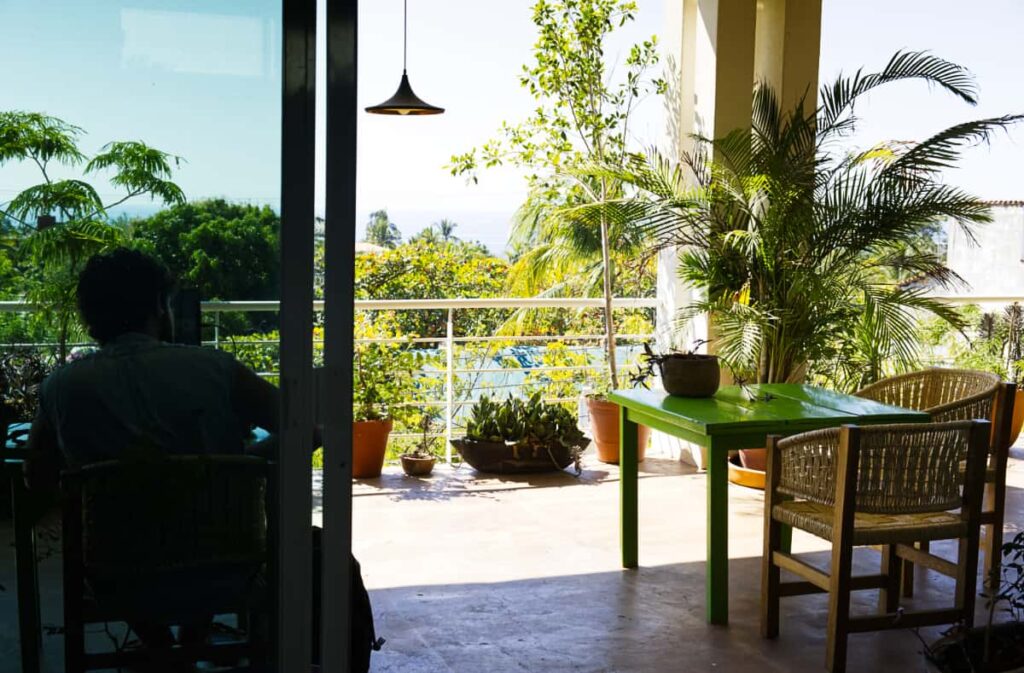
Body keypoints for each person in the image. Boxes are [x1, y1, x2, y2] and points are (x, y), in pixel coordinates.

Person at [25, 248, 281, 668]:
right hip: (228, 571)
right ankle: (191, 640)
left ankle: (161, 647)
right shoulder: (216, 369)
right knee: (197, 525)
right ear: (159, 306)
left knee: (139, 539)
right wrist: (243, 464)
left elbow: (39, 477)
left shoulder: (62, 388)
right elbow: (301, 429)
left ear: (90, 317)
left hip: (119, 578)